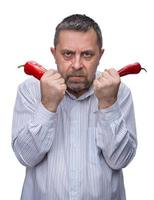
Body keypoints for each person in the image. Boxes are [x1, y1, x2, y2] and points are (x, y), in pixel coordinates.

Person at [12, 14, 137, 200]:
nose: (77, 65)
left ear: (100, 55)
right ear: (54, 54)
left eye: (87, 54)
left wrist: (108, 105)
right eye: (68, 54)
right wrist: (48, 105)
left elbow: (120, 160)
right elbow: (26, 157)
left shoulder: (119, 92)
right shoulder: (30, 91)